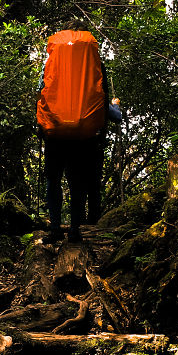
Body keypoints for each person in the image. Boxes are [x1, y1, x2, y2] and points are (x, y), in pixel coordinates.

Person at [36, 28, 123, 245]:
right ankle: (75, 229)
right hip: (84, 134)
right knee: (78, 182)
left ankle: (55, 228)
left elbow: (41, 90)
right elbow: (102, 100)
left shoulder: (50, 64)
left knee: (53, 180)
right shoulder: (96, 67)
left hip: (55, 132)